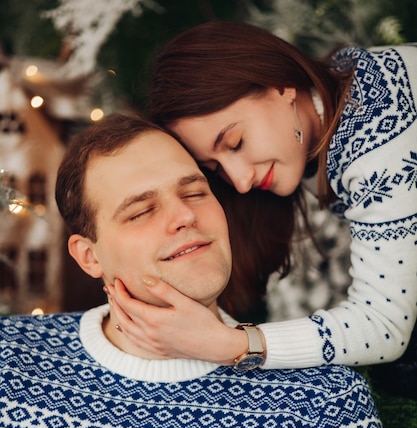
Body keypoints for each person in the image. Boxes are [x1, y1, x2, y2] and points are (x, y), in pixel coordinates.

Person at [0, 113, 395, 428]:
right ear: (89, 256)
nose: (184, 216)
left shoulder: (325, 402)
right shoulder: (10, 358)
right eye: (141, 210)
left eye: (194, 192)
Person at [105, 21, 417, 372]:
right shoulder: (357, 80)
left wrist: (230, 344)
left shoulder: (379, 143)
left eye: (236, 142)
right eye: (216, 167)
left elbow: (386, 326)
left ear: (281, 88)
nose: (239, 181)